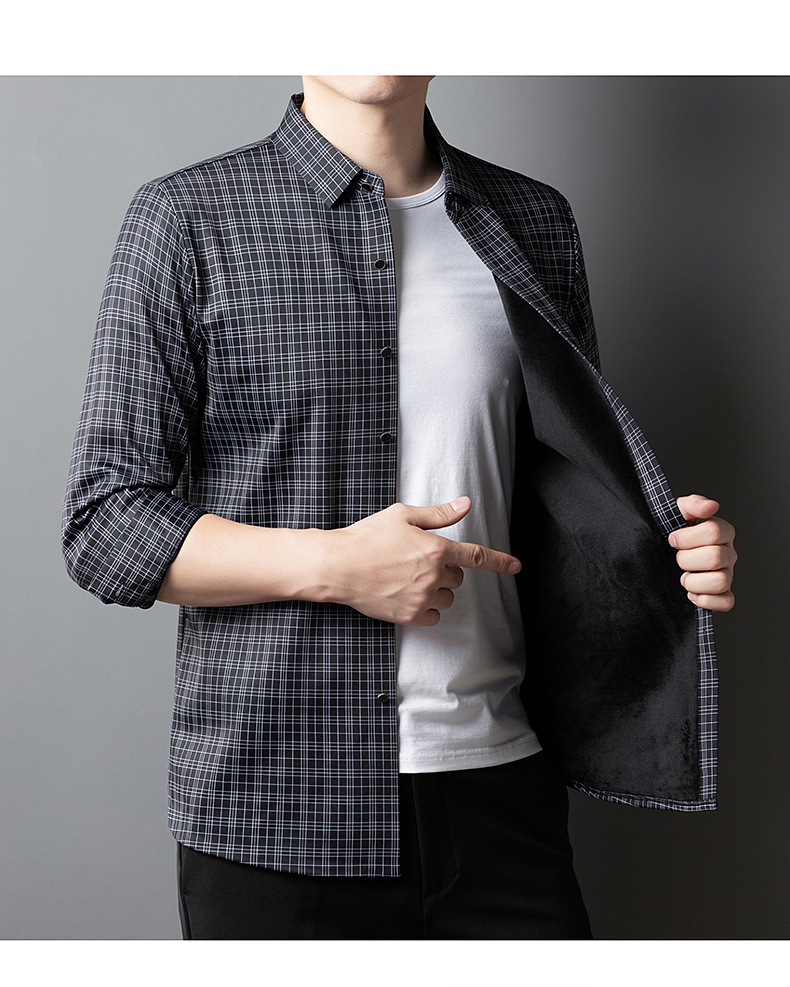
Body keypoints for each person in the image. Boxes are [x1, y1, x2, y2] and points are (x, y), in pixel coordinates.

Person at [61, 75, 737, 940]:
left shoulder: (534, 221)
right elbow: (105, 522)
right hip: (277, 802)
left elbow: (568, 491)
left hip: (503, 788)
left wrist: (670, 547)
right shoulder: (187, 218)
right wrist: (333, 566)